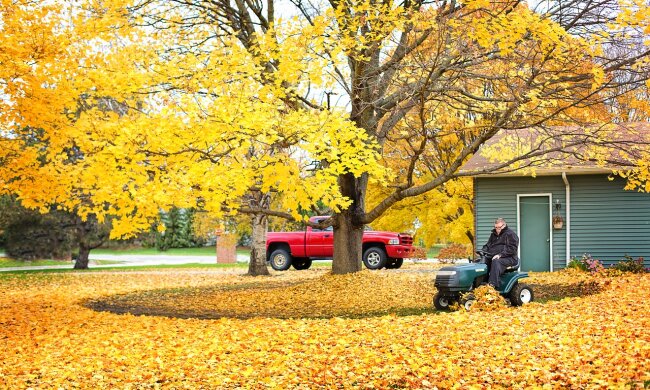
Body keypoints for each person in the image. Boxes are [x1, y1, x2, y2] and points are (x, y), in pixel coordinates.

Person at [481, 217, 519, 289]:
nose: (497, 229)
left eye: (499, 227)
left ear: (504, 225)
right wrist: (483, 251)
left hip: (509, 258)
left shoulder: (511, 234)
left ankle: (492, 284)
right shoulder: (493, 235)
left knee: (496, 261)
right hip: (493, 256)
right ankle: (481, 283)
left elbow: (512, 249)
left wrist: (500, 255)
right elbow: (488, 245)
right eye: (496, 227)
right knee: (481, 261)